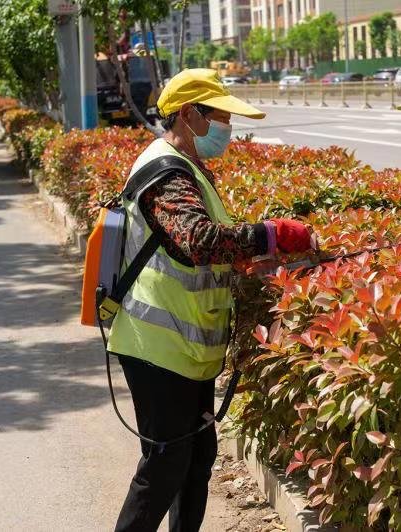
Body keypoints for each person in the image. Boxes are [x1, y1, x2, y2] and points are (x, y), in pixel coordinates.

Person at [108, 68, 317, 532]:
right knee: (164, 467)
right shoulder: (166, 173)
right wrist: (272, 233)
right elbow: (198, 240)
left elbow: (196, 253)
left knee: (195, 462)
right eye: (220, 117)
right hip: (157, 347)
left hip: (186, 349)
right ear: (188, 114)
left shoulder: (187, 168)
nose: (228, 128)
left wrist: (248, 263)